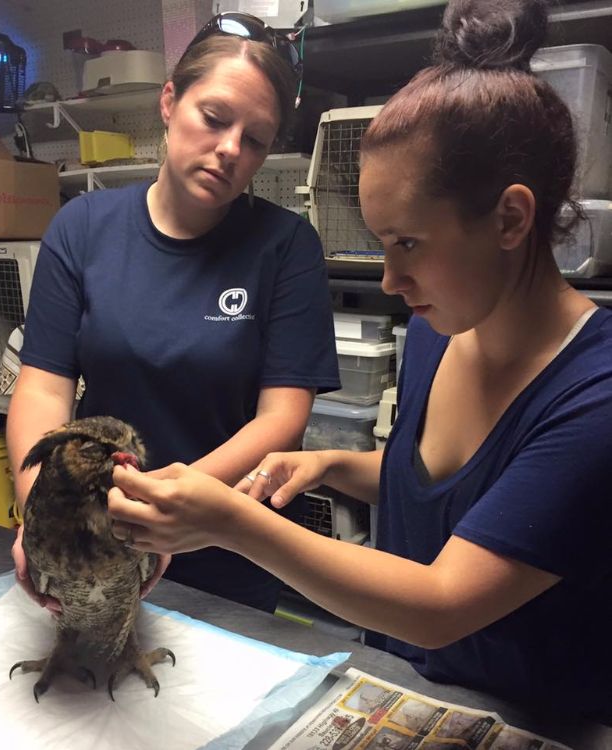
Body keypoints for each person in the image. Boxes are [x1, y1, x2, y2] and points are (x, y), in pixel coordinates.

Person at [107, 0, 612, 723]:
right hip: (397, 689)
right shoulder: (444, 329)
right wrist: (329, 466)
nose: (389, 281)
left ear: (510, 219)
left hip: (528, 721)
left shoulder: (595, 396)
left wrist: (230, 523)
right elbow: (465, 493)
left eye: (406, 244)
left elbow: (443, 604)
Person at [7, 11, 341, 614]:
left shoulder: (286, 246)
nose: (230, 149)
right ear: (169, 101)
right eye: (213, 118)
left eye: (257, 139)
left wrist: (163, 507)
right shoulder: (81, 228)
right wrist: (43, 514)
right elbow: (42, 393)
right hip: (93, 537)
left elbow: (280, 420)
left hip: (224, 544)